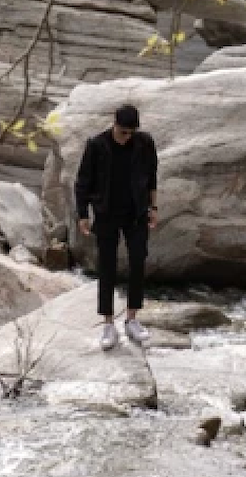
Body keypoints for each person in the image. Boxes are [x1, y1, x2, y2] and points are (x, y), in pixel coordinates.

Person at [73, 103, 160, 350]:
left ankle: (132, 319)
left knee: (137, 262)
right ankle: (108, 324)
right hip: (107, 213)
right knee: (107, 267)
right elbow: (83, 183)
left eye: (131, 133)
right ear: (114, 125)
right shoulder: (96, 145)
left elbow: (152, 176)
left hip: (136, 214)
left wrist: (154, 208)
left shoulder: (144, 143)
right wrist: (83, 214)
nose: (127, 138)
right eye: (123, 132)